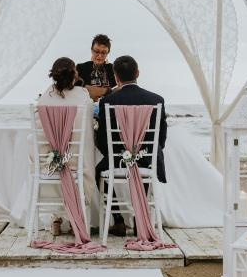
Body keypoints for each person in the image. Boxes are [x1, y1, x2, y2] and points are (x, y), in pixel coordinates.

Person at [95, 55, 167, 237]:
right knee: (145, 161)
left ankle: (118, 219)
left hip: (118, 158)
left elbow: (103, 140)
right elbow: (161, 137)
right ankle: (139, 219)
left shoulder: (107, 102)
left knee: (98, 171)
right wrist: (144, 153)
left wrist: (118, 155)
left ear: (116, 77)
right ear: (137, 73)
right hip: (147, 157)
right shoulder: (156, 99)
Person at [37, 57, 94, 235]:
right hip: (76, 163)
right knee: (86, 152)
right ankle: (76, 219)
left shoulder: (44, 97)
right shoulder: (82, 95)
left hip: (49, 163)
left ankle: (56, 218)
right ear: (74, 75)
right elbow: (87, 129)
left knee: (48, 156)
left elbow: (40, 134)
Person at [76, 34, 116, 102]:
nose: (99, 56)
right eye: (97, 51)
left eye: (103, 53)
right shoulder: (80, 68)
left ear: (108, 52)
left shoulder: (113, 69)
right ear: (91, 50)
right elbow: (76, 89)